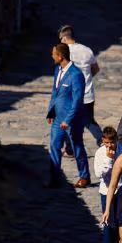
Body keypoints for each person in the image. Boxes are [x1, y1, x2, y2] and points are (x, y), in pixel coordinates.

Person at [45, 43, 87, 188]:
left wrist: (68, 120)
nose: (51, 56)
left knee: (77, 148)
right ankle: (55, 178)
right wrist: (51, 112)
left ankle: (84, 176)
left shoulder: (76, 75)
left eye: (53, 54)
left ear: (60, 56)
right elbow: (55, 92)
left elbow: (78, 100)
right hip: (57, 118)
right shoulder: (58, 70)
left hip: (72, 120)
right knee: (54, 146)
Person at [58, 25, 102, 146]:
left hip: (71, 95)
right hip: (87, 94)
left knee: (68, 121)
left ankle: (70, 148)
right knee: (89, 121)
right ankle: (102, 141)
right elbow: (96, 69)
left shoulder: (63, 53)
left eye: (60, 39)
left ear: (64, 38)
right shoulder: (87, 50)